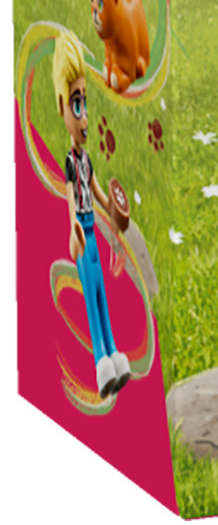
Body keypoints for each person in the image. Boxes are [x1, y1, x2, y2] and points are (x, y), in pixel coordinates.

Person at [52, 28, 131, 400]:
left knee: (101, 294)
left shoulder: (86, 159)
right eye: (76, 105)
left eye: (84, 102)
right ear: (62, 106)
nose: (84, 118)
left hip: (93, 233)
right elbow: (72, 198)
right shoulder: (71, 162)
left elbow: (96, 191)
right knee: (90, 299)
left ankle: (114, 353)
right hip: (82, 237)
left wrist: (113, 209)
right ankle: (101, 359)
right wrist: (73, 227)